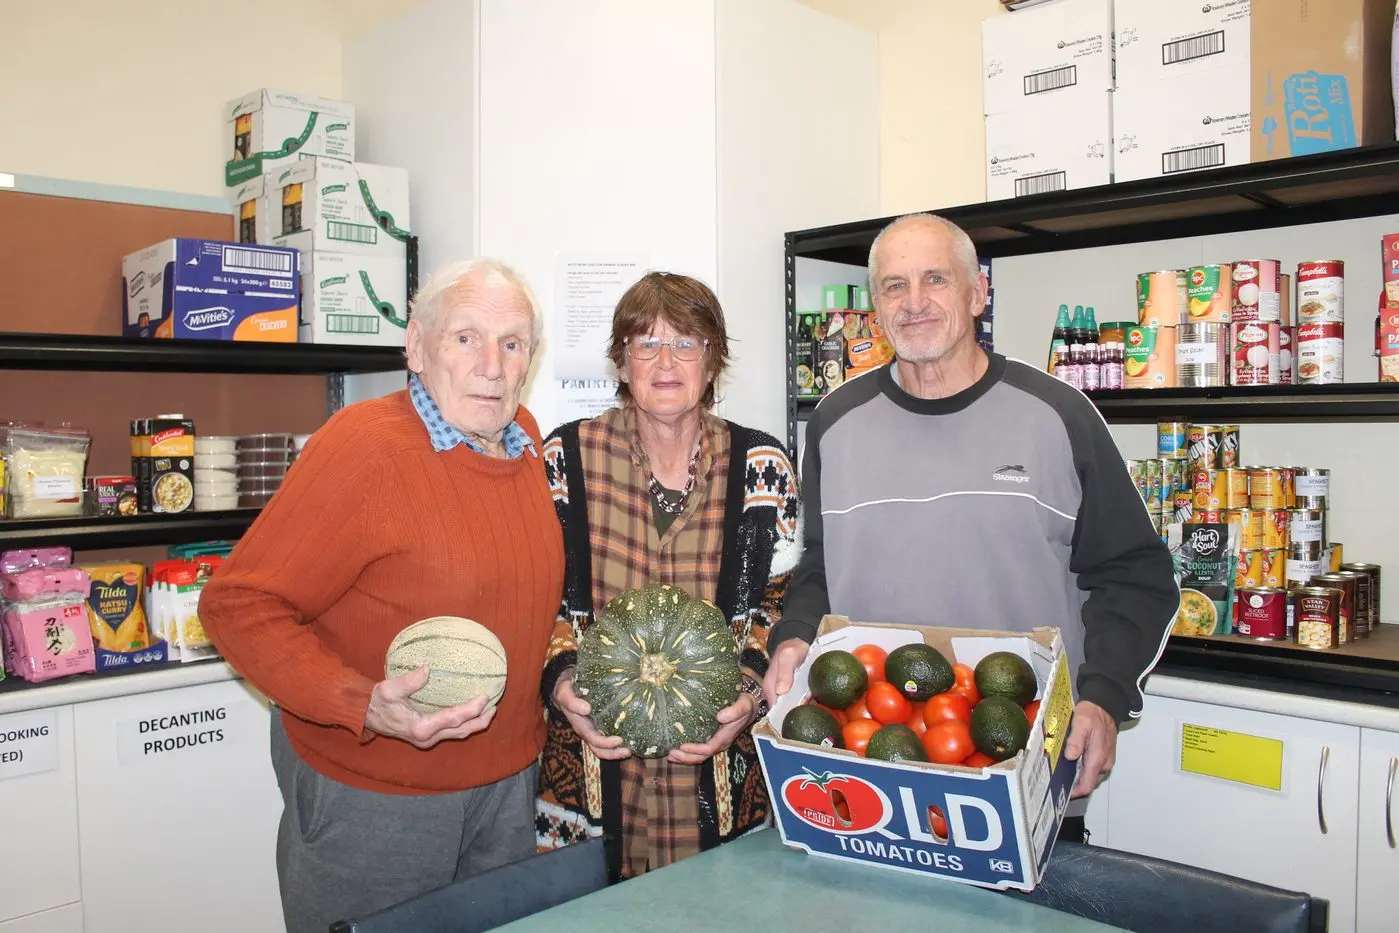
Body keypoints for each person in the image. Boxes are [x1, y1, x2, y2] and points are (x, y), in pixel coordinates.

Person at [763, 213, 1179, 841]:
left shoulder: (1057, 415)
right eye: (895, 286)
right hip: (869, 772)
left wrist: (1103, 697)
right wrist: (794, 638)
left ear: (978, 292)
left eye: (936, 279)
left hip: (1019, 767)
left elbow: (1134, 578)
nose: (916, 302)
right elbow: (821, 567)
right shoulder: (834, 423)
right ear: (876, 306)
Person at [198, 258, 564, 933]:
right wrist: (360, 702)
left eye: (511, 343)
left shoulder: (527, 442)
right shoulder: (363, 446)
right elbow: (237, 605)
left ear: (530, 358)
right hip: (376, 794)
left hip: (506, 784)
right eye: (465, 338)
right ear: (416, 346)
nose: (491, 363)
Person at [535, 271, 802, 882]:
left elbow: (782, 598)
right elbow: (534, 593)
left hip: (723, 770)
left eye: (686, 343)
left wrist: (752, 692)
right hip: (592, 766)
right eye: (644, 343)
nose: (665, 361)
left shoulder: (763, 465)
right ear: (621, 363)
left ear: (713, 363)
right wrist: (559, 683)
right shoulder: (564, 459)